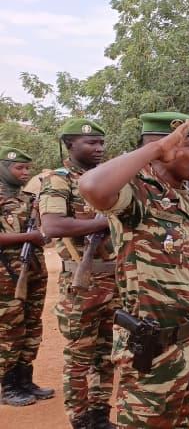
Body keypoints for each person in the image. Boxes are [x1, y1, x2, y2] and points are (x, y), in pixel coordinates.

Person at [78, 112, 189, 428]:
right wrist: (154, 150)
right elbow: (92, 186)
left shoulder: (188, 201)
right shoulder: (140, 195)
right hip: (152, 346)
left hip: (188, 341)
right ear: (163, 149)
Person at [39, 119, 116, 427]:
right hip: (82, 283)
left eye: (100, 143)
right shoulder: (58, 180)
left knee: (107, 354)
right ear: (70, 145)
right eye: (90, 143)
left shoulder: (108, 177)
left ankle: (100, 414)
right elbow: (54, 226)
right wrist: (104, 223)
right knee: (79, 357)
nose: (98, 148)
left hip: (115, 279)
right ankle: (80, 419)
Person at [0, 148, 51, 409]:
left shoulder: (28, 198)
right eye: (19, 168)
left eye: (28, 169)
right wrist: (29, 237)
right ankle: (7, 386)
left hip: (33, 269)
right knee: (9, 330)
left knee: (32, 325)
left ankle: (24, 380)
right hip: (5, 275)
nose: (25, 173)